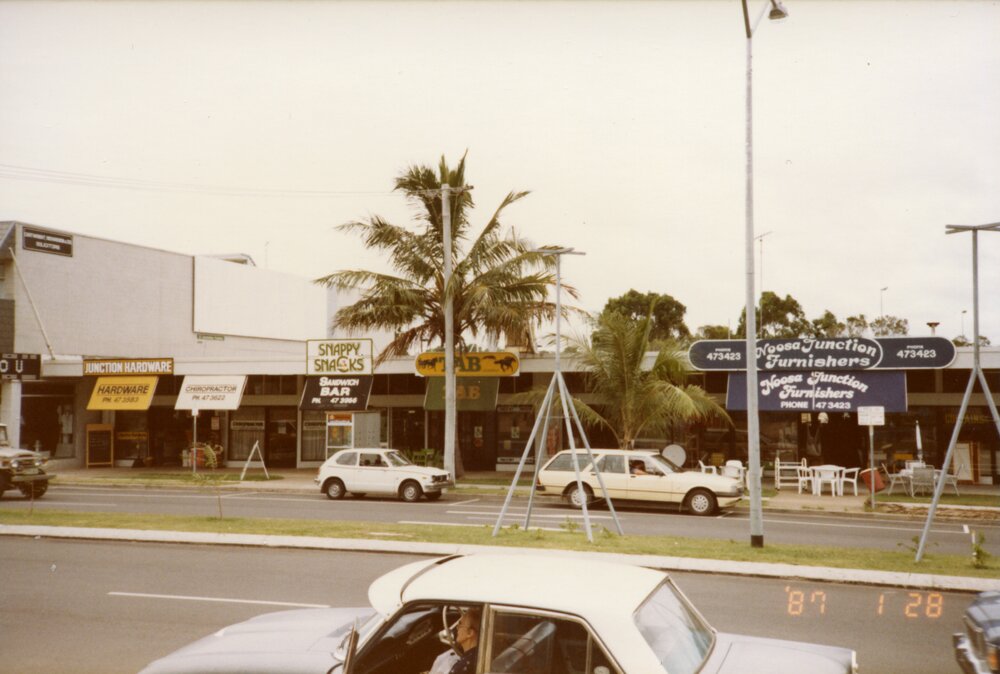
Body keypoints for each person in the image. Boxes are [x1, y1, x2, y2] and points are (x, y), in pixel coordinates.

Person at [427, 608, 481, 674]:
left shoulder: (463, 667)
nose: (457, 627)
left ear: (469, 633)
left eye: (460, 624)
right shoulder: (476, 657)